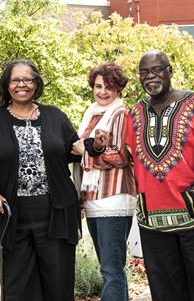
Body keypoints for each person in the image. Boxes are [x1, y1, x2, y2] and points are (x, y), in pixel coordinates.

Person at [0, 59, 82, 301]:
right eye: (15, 80)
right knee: (18, 286)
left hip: (55, 212)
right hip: (11, 213)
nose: (21, 85)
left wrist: (94, 146)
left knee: (58, 282)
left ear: (36, 83)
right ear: (7, 84)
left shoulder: (55, 116)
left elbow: (74, 149)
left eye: (27, 79)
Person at [125, 50, 194, 301]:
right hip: (153, 221)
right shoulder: (133, 114)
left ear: (170, 71)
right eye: (144, 72)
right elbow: (129, 160)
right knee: (165, 292)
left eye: (157, 69)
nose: (151, 76)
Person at [72, 62, 136, 301]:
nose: (103, 92)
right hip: (93, 199)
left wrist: (86, 153)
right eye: (98, 86)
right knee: (106, 268)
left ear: (118, 89)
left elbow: (121, 156)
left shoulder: (120, 114)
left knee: (111, 269)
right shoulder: (92, 112)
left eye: (109, 87)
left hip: (114, 198)